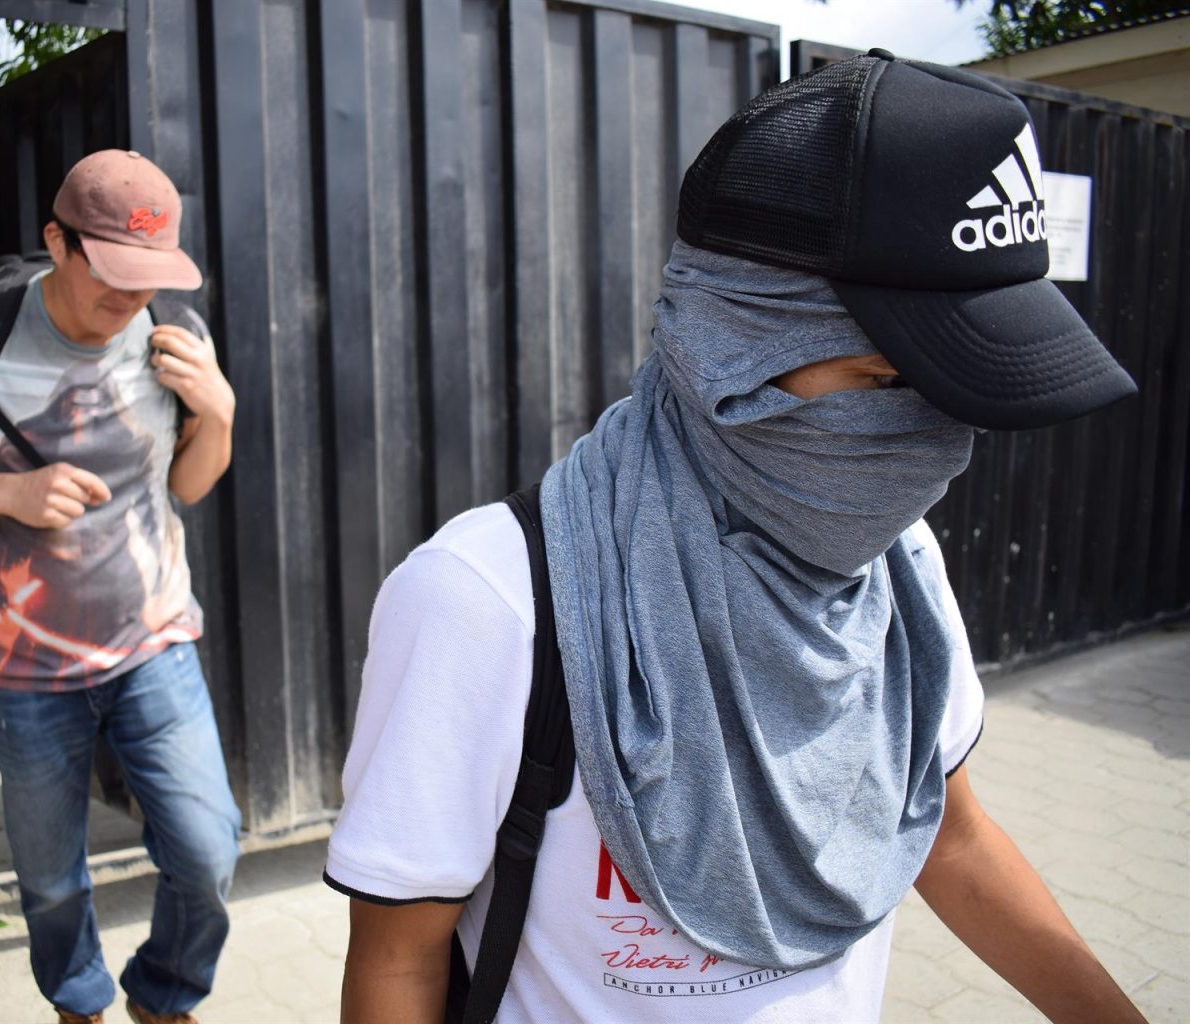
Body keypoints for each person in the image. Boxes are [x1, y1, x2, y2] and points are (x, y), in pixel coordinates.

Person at [324, 51, 1148, 1023]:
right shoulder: (489, 601)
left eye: (956, 395)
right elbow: (398, 961)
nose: (929, 447)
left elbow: (951, 838)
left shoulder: (901, 568)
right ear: (735, 341)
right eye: (887, 384)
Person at [0, 149, 241, 1024]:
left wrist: (219, 410)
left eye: (150, 277)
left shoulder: (173, 333)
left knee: (207, 847)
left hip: (152, 640)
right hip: (20, 662)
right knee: (48, 877)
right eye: (113, 273)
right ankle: (78, 1003)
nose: (131, 299)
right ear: (57, 241)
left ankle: (165, 994)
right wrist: (7, 493)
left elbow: (187, 486)